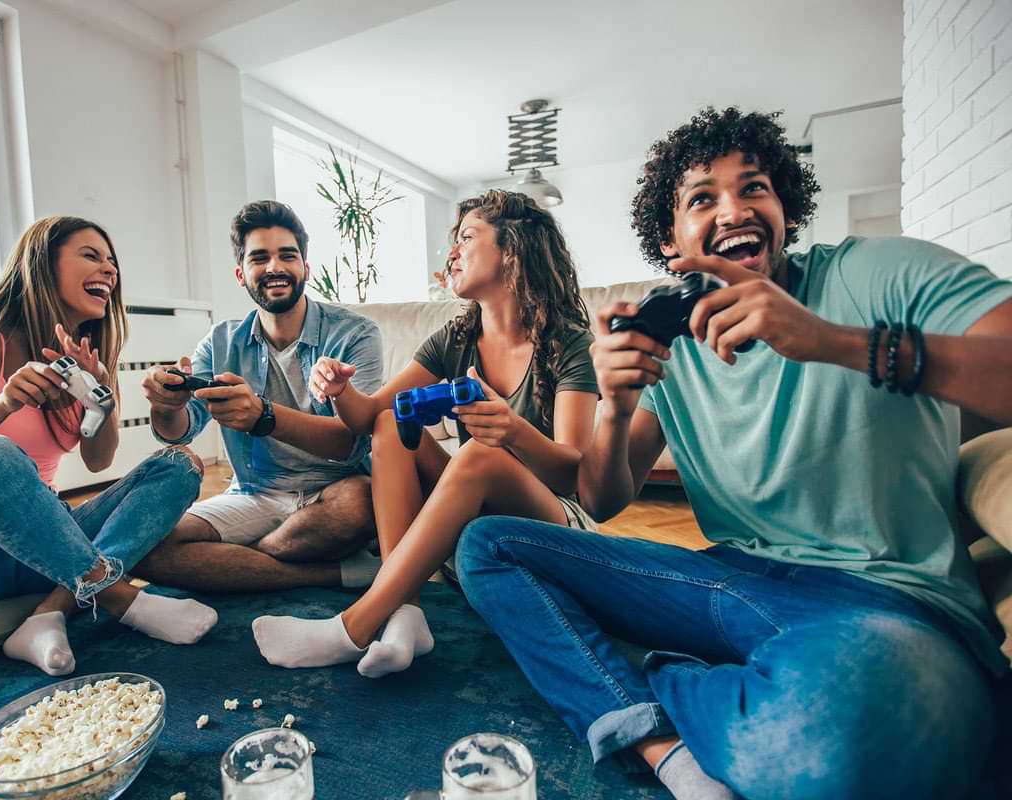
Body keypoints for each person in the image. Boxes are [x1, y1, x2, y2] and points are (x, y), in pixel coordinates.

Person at [454, 107, 1012, 800]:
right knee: (488, 547)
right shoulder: (673, 338)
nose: (734, 209)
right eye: (702, 199)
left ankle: (649, 670)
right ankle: (662, 748)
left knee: (842, 754)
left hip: (889, 601)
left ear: (785, 206)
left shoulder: (878, 273)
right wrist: (617, 406)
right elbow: (602, 499)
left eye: (755, 188)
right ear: (672, 238)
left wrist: (833, 342)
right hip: (730, 581)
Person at [252, 189, 599, 678]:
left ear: (512, 250)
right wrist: (338, 390)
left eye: (466, 238)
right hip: (472, 528)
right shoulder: (455, 339)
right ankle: (404, 614)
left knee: (478, 456)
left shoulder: (566, 344)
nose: (452, 253)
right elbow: (370, 415)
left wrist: (513, 431)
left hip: (555, 530)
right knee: (395, 420)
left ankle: (354, 626)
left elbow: (576, 476)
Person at [0, 216, 218, 677]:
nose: (109, 271)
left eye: (112, 263)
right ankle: (117, 596)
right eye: (91, 256)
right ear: (42, 266)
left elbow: (98, 459)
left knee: (179, 464)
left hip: (35, 553)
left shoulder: (91, 354)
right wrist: (2, 404)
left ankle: (50, 613)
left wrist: (99, 403)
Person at [134, 201, 384, 593]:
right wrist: (166, 407)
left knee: (362, 505)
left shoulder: (355, 334)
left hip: (336, 490)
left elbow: (351, 442)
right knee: (147, 545)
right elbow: (178, 433)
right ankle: (334, 573)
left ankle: (241, 562)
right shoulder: (220, 341)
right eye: (259, 258)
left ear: (305, 267)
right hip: (254, 494)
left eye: (287, 255)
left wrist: (264, 417)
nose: (274, 267)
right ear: (241, 274)